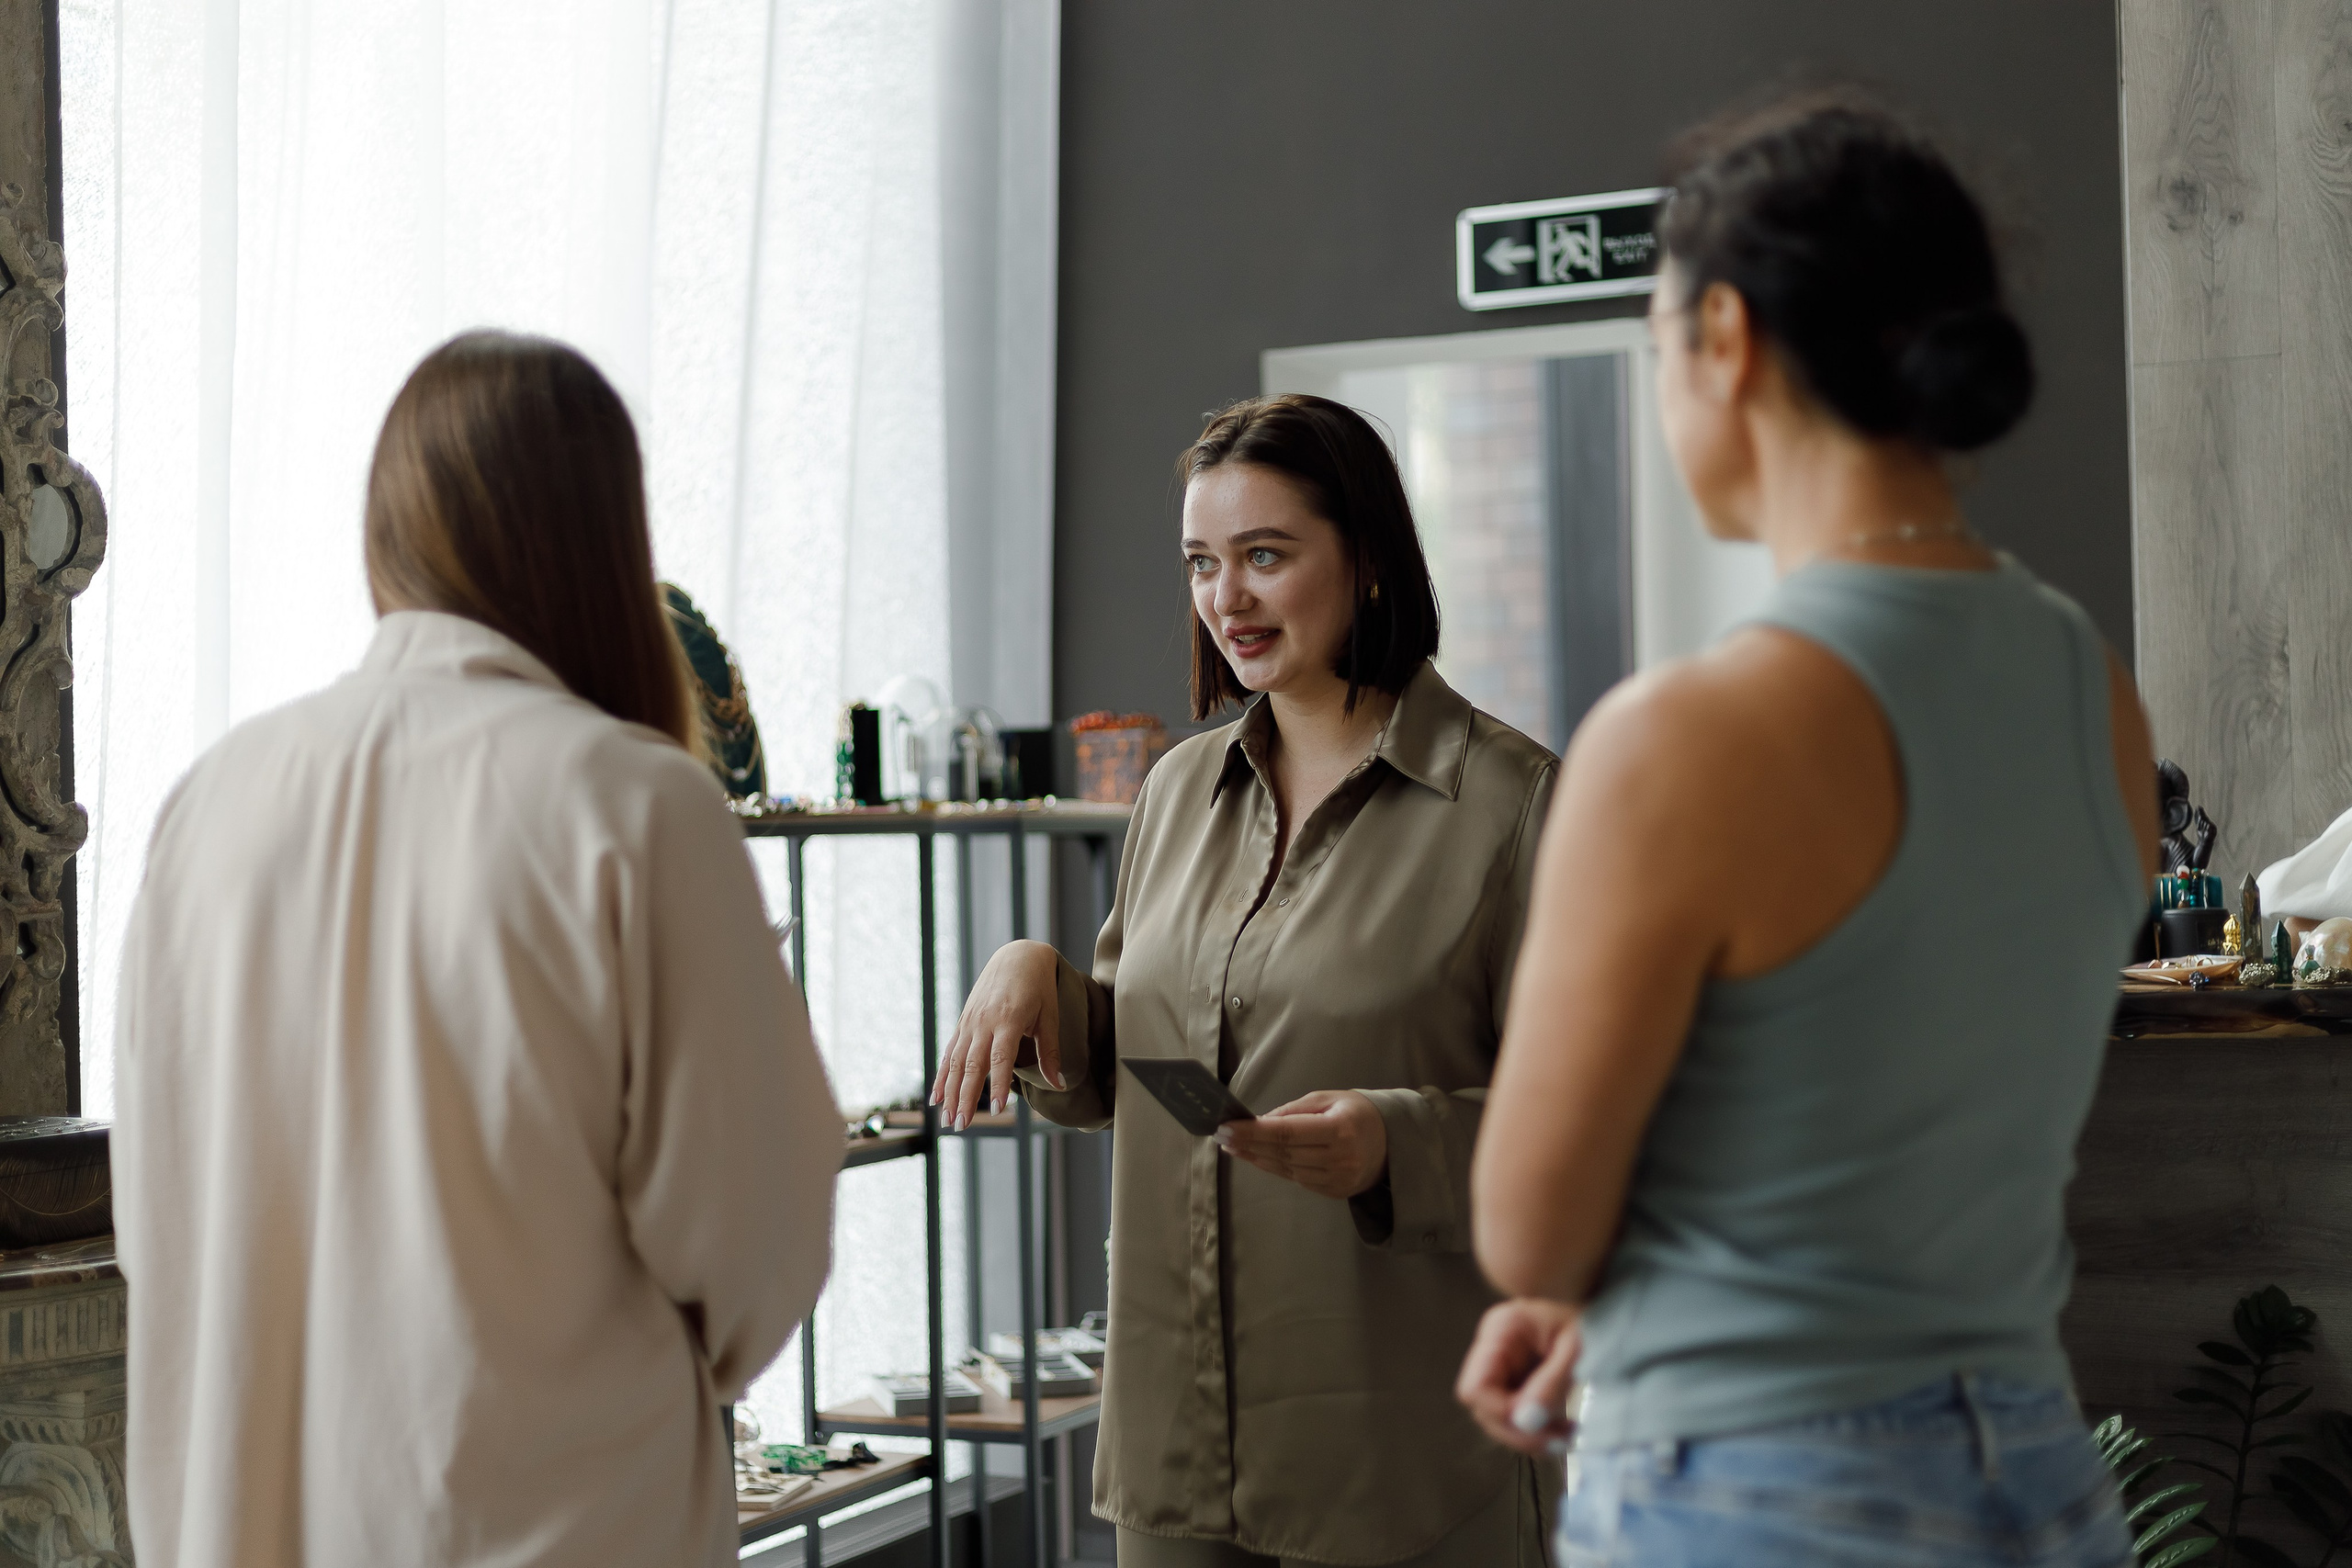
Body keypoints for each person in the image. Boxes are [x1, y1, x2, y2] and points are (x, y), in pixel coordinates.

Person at [1453, 93, 2160, 1568]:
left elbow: (1530, 1231)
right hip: (2034, 1473)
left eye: (1658, 346)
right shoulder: (2087, 677)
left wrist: (1601, 1285)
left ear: (1725, 335)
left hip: (1757, 1490)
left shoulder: (1683, 734)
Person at [113, 333, 841, 1567]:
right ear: (606, 541)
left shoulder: (208, 802)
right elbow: (758, 1246)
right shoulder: (634, 805)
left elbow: (163, 1212)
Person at [933, 393, 1557, 1566]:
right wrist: (1038, 979)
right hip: (1179, 1458)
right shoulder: (1174, 792)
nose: (1226, 599)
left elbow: (1597, 1132)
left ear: (1366, 559)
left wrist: (1395, 1141)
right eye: (1201, 564)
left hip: (1400, 1470)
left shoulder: (1514, 808)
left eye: (1264, 556)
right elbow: (1128, 1062)